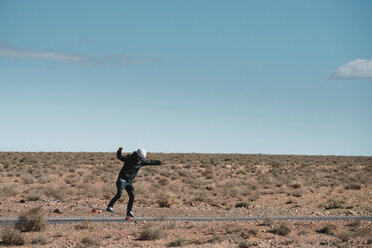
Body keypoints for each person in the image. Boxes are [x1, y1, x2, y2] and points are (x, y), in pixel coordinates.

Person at [107, 147, 167, 217]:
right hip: (122, 180)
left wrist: (160, 163)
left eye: (142, 158)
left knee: (132, 196)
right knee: (119, 194)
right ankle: (110, 206)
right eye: (140, 158)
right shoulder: (129, 158)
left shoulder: (140, 162)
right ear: (137, 155)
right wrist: (119, 151)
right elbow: (120, 157)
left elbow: (150, 162)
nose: (141, 159)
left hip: (129, 182)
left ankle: (129, 211)